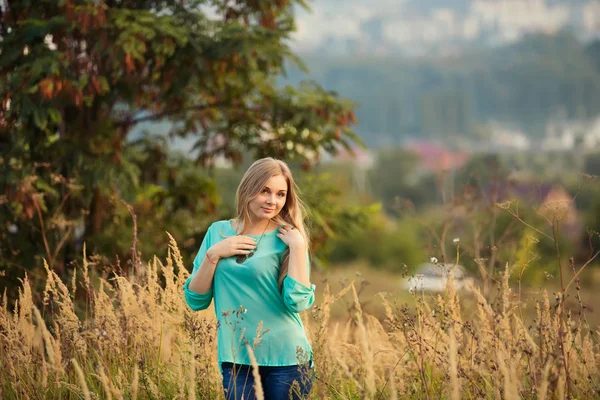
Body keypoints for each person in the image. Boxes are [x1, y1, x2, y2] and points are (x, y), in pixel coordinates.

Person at [183, 157, 316, 400]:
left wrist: (298, 248)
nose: (272, 201)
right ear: (248, 189)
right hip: (237, 360)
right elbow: (196, 300)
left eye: (280, 194)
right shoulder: (217, 232)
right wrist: (214, 254)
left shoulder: (289, 238)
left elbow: (297, 302)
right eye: (265, 191)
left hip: (287, 359)